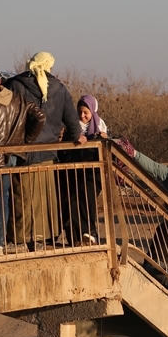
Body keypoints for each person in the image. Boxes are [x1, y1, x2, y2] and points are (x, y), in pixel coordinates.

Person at [5, 52, 81, 251]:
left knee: (21, 198)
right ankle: (43, 237)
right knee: (45, 200)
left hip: (21, 153)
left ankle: (20, 238)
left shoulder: (15, 85)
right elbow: (73, 126)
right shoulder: (60, 89)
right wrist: (71, 142)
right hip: (48, 154)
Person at [0, 66, 46, 255]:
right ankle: (1, 242)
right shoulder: (17, 99)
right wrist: (24, 141)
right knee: (4, 199)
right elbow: (40, 117)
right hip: (12, 155)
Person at [61, 94, 108, 245]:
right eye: (80, 112)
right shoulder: (72, 127)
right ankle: (76, 237)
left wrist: (103, 138)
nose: (82, 116)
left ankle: (89, 233)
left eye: (86, 113)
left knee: (87, 199)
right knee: (73, 201)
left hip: (92, 173)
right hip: (73, 170)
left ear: (93, 111)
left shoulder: (100, 126)